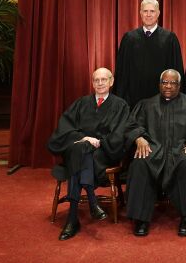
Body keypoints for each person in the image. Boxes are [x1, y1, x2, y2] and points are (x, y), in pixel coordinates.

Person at [124, 69, 186, 237]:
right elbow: (132, 126)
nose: (168, 86)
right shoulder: (146, 104)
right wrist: (139, 138)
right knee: (140, 163)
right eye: (165, 82)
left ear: (179, 85)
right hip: (153, 150)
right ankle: (141, 218)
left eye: (173, 83)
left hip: (180, 149)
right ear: (159, 84)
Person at [47, 67, 129, 241]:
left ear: (111, 81)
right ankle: (92, 201)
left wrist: (99, 142)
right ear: (92, 83)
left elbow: (119, 134)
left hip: (103, 151)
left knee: (80, 153)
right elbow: (64, 129)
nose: (99, 83)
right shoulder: (81, 103)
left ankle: (72, 218)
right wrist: (84, 138)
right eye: (96, 80)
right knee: (81, 149)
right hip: (80, 148)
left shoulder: (120, 105)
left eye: (103, 80)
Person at [115, 0, 184, 108]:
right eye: (145, 11)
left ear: (158, 13)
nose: (148, 14)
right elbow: (121, 71)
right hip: (133, 99)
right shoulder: (129, 38)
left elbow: (176, 70)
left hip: (161, 99)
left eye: (152, 11)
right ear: (140, 13)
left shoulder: (169, 38)